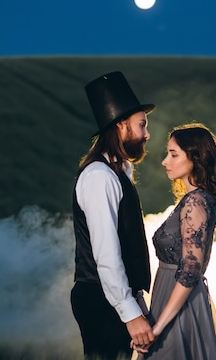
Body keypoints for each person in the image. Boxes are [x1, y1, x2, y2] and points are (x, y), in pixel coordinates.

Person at [71, 71, 156, 360]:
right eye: (141, 125)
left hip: (112, 300)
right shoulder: (99, 177)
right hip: (100, 300)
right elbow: (106, 254)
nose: (147, 134)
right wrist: (130, 314)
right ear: (121, 126)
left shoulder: (118, 174)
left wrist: (135, 304)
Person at [134, 122, 216, 360]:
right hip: (172, 298)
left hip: (179, 304)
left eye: (173, 154)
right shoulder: (196, 200)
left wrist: (158, 327)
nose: (165, 161)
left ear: (195, 158)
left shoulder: (195, 202)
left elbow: (191, 269)